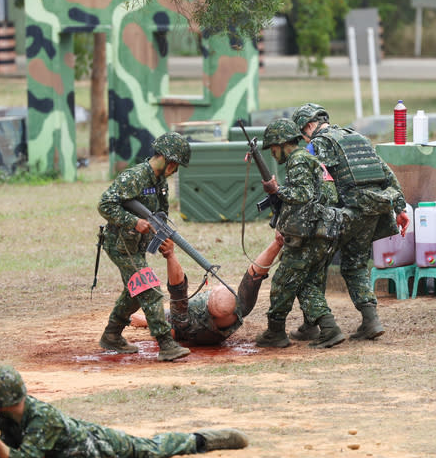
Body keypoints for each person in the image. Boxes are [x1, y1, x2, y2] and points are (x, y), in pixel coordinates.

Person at [0, 365, 249, 458]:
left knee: (148, 448)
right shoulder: (10, 417)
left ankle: (202, 439)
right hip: (74, 445)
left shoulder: (42, 418)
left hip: (96, 444)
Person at [292, 103, 410, 340]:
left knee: (314, 266)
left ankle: (313, 324)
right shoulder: (357, 138)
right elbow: (386, 173)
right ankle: (371, 320)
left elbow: (318, 182)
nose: (303, 141)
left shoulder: (319, 144)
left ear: (308, 126)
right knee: (355, 266)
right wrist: (400, 208)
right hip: (372, 211)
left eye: (301, 135)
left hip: (344, 213)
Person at [97, 131, 192, 361]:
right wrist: (134, 221)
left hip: (137, 245)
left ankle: (111, 335)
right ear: (167, 159)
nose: (176, 170)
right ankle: (166, 343)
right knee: (148, 288)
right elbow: (105, 204)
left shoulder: (160, 182)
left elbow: (161, 213)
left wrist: (162, 238)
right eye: (176, 165)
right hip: (121, 244)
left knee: (134, 291)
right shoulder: (134, 177)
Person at [254, 118, 346, 350]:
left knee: (282, 283)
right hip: (323, 234)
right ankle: (328, 328)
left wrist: (277, 189)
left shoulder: (298, 160)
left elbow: (302, 194)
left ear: (284, 143)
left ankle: (275, 332)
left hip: (310, 237)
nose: (272, 154)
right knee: (307, 286)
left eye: (273, 148)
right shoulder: (309, 159)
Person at [129, 233, 284, 345]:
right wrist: (277, 243)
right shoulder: (239, 310)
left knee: (164, 317)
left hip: (173, 322)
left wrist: (170, 254)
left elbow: (178, 289)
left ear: (208, 304)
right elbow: (254, 274)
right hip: (195, 325)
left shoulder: (184, 323)